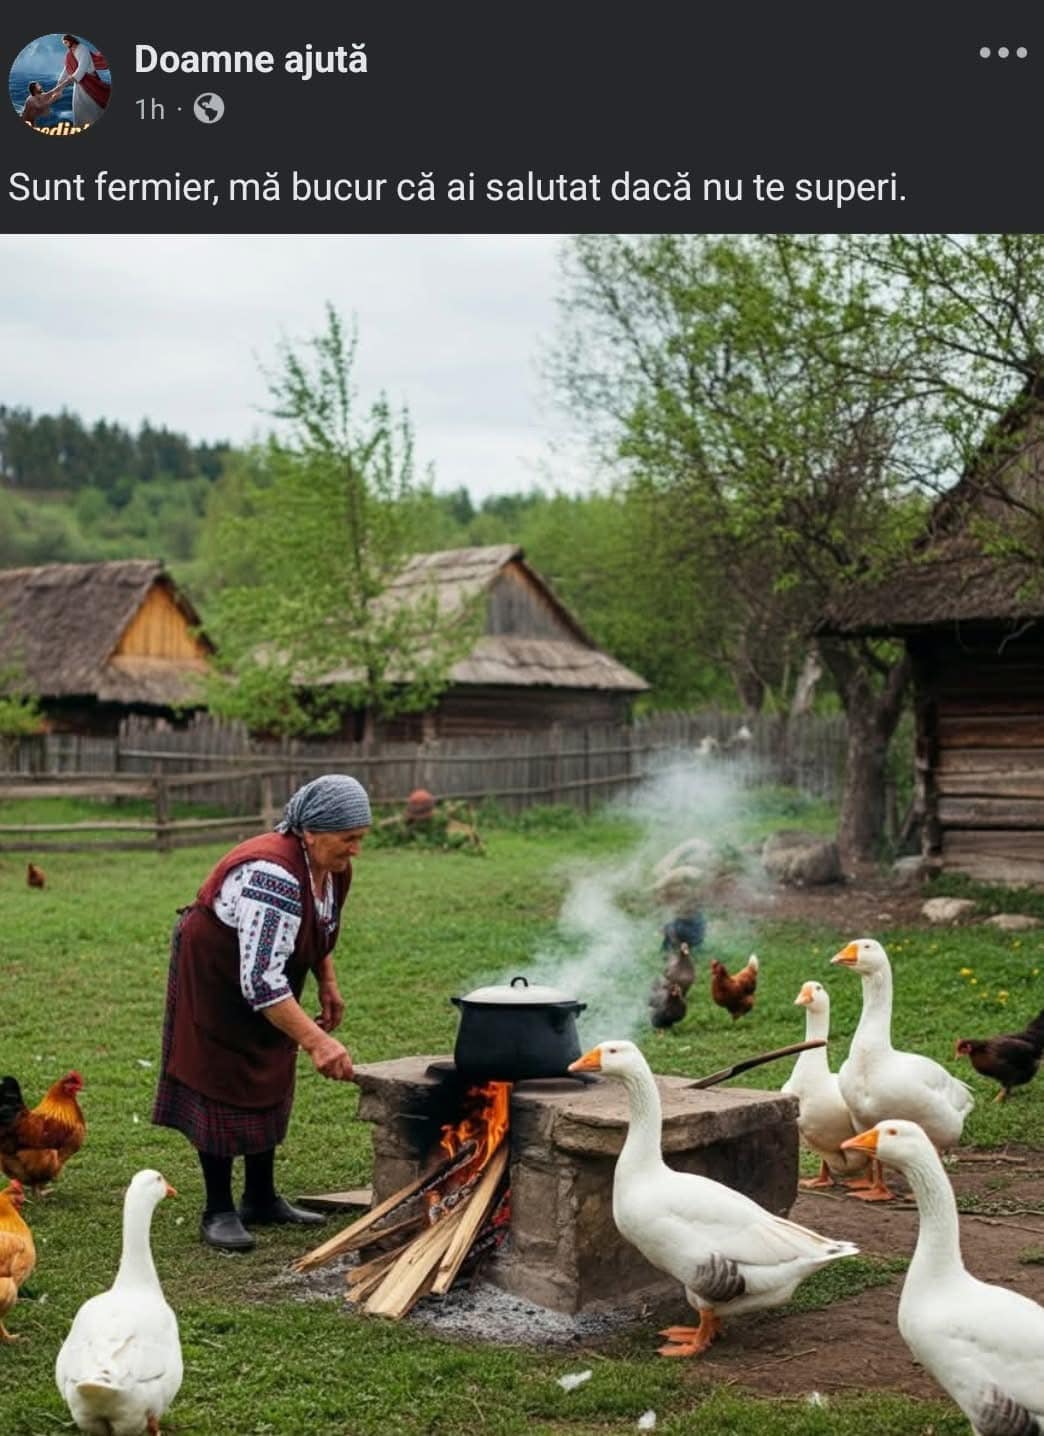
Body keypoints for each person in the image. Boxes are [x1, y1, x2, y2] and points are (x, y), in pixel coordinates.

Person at [151, 773, 371, 1252]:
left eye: (361, 838)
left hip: (268, 972)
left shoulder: (329, 867)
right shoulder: (271, 874)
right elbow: (261, 982)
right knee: (222, 1076)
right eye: (348, 838)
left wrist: (327, 982)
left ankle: (260, 1197)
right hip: (216, 975)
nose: (356, 849)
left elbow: (316, 928)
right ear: (311, 832)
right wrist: (318, 1040)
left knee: (269, 1064)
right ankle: (218, 1208)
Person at [57, 34, 110, 128]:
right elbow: (66, 68)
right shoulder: (70, 54)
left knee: (94, 105)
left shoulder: (82, 49)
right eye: (64, 43)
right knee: (79, 107)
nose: (65, 44)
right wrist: (60, 81)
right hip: (79, 83)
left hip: (90, 81)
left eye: (66, 42)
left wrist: (70, 80)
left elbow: (82, 66)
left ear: (71, 40)